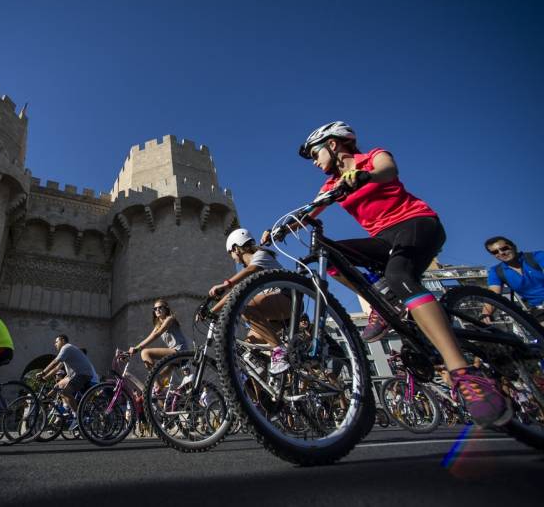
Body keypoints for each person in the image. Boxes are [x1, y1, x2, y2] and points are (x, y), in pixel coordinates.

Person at [268, 121, 510, 428]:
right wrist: (281, 228)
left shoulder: (372, 158)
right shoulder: (331, 184)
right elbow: (311, 211)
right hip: (383, 238)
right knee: (330, 257)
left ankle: (462, 371)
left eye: (315, 153)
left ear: (333, 144)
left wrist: (365, 176)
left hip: (417, 223)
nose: (315, 162)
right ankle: (383, 303)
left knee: (399, 275)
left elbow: (388, 170)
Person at [208, 228, 292, 374]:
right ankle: (269, 382)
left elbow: (250, 270)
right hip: (275, 312)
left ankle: (279, 350)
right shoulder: (249, 268)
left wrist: (225, 284)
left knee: (243, 304)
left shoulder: (260, 256)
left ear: (236, 249)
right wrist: (211, 311)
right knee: (250, 344)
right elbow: (235, 293)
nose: (233, 258)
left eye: (231, 254)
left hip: (288, 300)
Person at [482, 236, 544, 323]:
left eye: (504, 248)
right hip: (539, 310)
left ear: (514, 246)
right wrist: (486, 313)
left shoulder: (537, 256)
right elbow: (493, 293)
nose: (501, 253)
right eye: (495, 252)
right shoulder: (496, 271)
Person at [38, 334, 99, 413]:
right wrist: (45, 378)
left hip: (83, 374)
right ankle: (46, 399)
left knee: (65, 392)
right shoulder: (67, 353)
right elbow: (57, 368)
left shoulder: (66, 347)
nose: (55, 344)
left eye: (56, 342)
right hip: (75, 375)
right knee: (58, 385)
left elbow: (55, 362)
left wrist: (43, 373)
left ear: (62, 340)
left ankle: (77, 415)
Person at [128, 299, 188, 370]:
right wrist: (134, 349)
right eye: (155, 309)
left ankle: (154, 380)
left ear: (166, 308)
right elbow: (149, 337)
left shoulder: (169, 319)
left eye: (160, 307)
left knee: (145, 353)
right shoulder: (158, 325)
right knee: (162, 379)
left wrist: (137, 349)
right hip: (174, 354)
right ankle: (156, 380)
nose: (157, 310)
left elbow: (156, 335)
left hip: (180, 352)